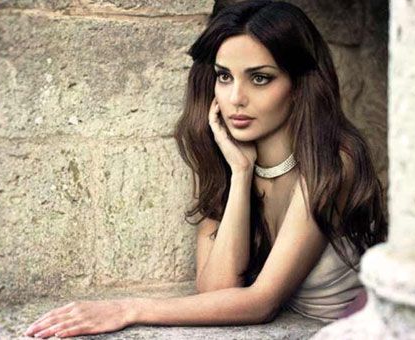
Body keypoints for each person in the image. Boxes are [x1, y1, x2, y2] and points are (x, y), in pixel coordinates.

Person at [24, 1, 387, 338]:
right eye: (224, 76)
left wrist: (128, 309)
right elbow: (217, 290)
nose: (235, 98)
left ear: (299, 85)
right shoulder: (223, 157)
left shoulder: (335, 159)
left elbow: (261, 303)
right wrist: (241, 174)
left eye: (260, 78)